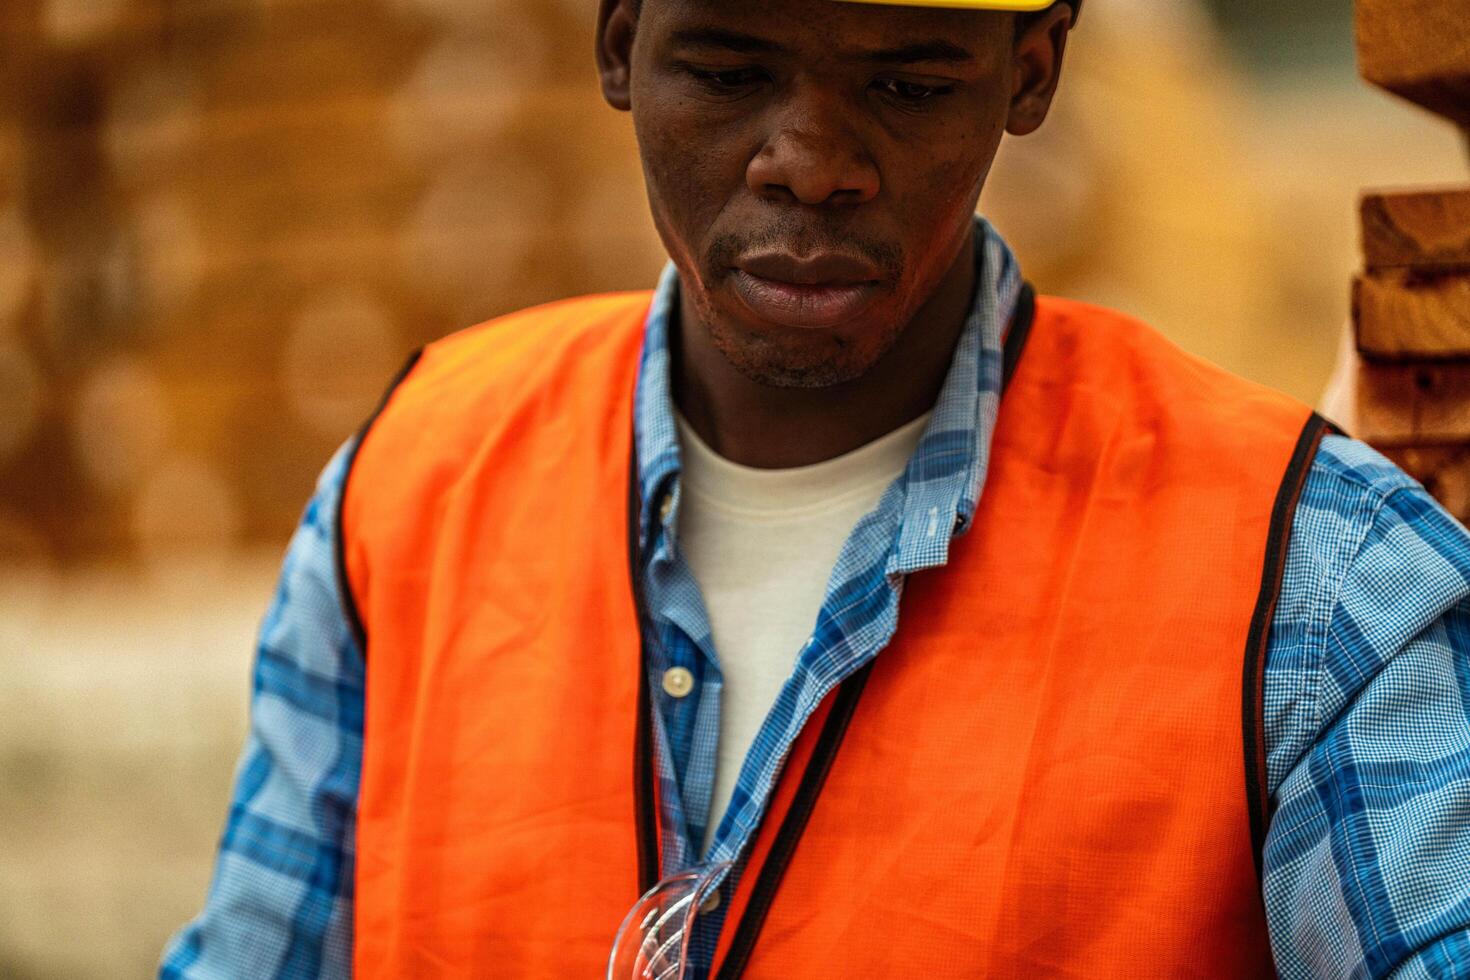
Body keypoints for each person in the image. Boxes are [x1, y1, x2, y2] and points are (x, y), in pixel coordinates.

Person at [162, 1, 1470, 976]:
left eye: (903, 83)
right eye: (729, 72)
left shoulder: (1307, 575)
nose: (807, 160)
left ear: (1030, 71)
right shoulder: (413, 490)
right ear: (617, 43)